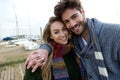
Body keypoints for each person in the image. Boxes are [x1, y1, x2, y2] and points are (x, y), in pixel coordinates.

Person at [26, 0, 120, 80]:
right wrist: (44, 49)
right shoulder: (74, 41)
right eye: (66, 21)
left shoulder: (115, 33)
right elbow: (52, 44)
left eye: (74, 16)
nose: (72, 24)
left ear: (83, 12)